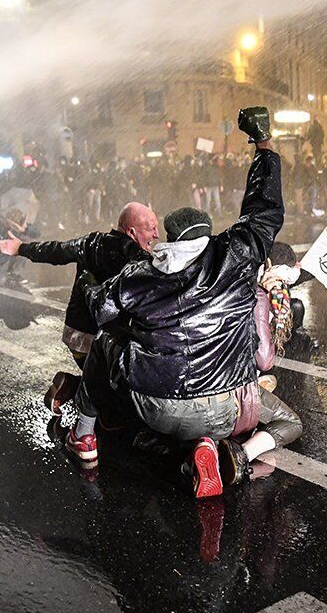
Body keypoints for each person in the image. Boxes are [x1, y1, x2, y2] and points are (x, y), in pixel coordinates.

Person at [67, 106, 284, 497]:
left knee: (105, 346)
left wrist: (85, 277)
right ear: (208, 233)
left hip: (158, 409)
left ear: (169, 235)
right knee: (272, 418)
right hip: (225, 409)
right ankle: (213, 449)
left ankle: (83, 436)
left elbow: (100, 309)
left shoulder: (143, 274)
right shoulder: (235, 255)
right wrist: (263, 143)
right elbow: (265, 210)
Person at [0, 202, 159, 372]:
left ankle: (74, 385)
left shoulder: (91, 243)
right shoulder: (140, 261)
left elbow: (56, 251)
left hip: (76, 337)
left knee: (98, 379)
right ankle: (75, 387)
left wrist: (21, 248)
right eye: (151, 228)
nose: (157, 235)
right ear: (131, 232)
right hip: (108, 344)